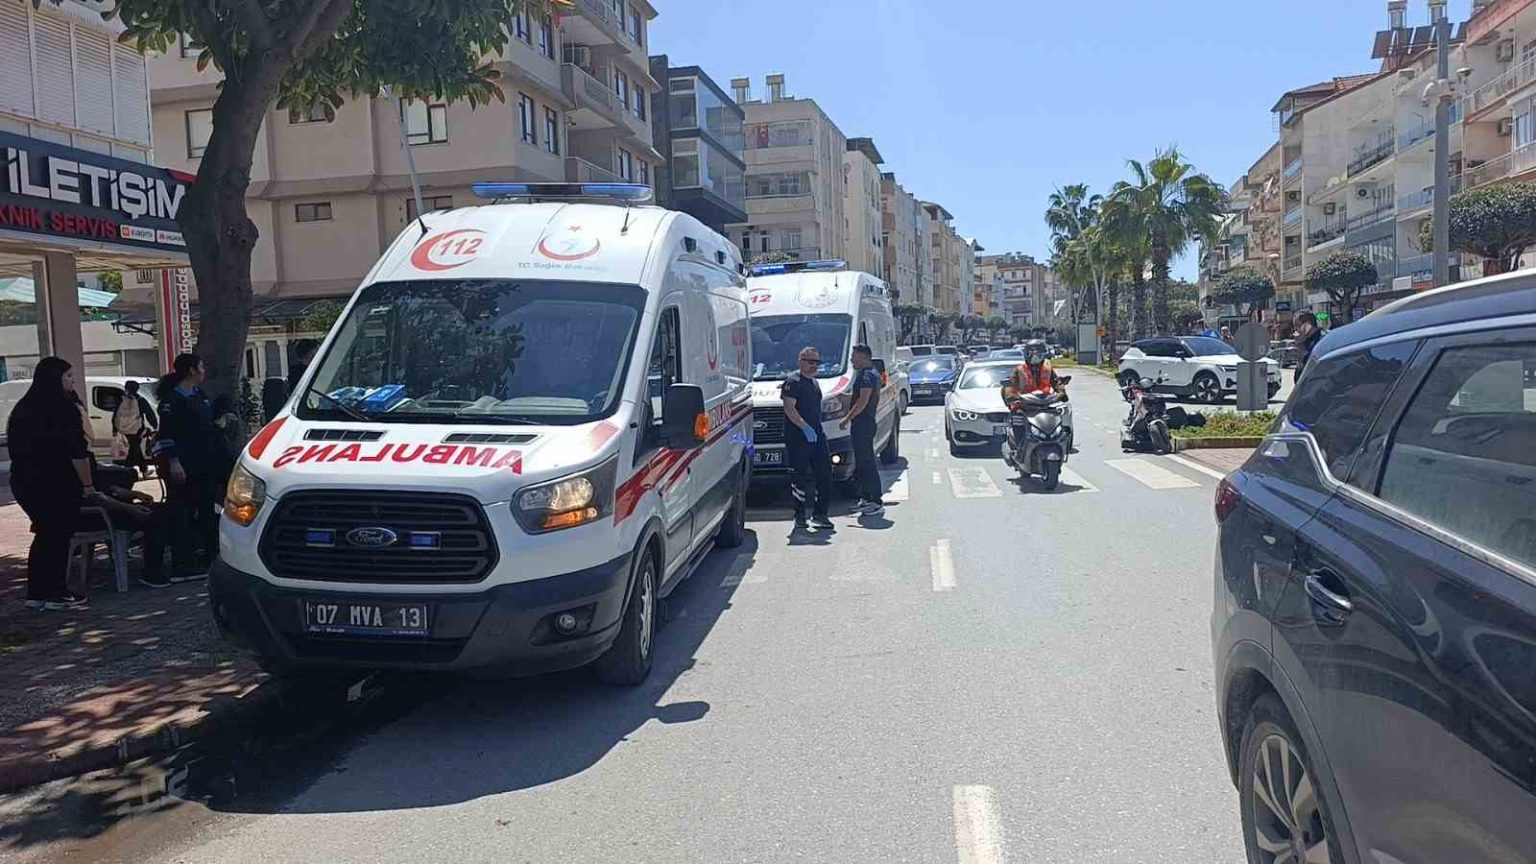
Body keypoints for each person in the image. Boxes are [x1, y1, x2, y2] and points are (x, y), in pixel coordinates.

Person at [7, 357, 95, 609]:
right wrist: (88, 486)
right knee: (57, 536)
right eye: (68, 377)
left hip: (25, 480)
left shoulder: (23, 407)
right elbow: (77, 451)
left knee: (45, 534)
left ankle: (38, 592)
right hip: (56, 481)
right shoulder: (64, 409)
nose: (72, 382)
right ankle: (56, 592)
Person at [154, 354, 219, 581]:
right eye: (201, 367)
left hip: (203, 463)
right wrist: (173, 461)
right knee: (183, 513)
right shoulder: (172, 400)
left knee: (206, 510)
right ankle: (182, 564)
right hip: (183, 464)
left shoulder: (199, 394)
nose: (204, 371)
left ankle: (207, 556)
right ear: (192, 370)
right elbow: (166, 433)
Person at [80, 454, 171, 588]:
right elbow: (94, 496)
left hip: (103, 507)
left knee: (161, 510)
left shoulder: (84, 458)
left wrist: (134, 494)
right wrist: (130, 509)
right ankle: (152, 570)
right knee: (154, 517)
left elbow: (105, 488)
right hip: (91, 514)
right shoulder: (77, 460)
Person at [780, 346, 834, 531]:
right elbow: (789, 408)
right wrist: (804, 427)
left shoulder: (815, 383)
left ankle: (820, 514)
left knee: (825, 474)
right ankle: (800, 516)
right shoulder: (792, 382)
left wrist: (815, 432)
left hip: (817, 436)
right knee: (799, 478)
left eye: (817, 362)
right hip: (798, 438)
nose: (814, 365)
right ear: (800, 361)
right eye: (810, 362)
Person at [839, 344, 884, 517]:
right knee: (862, 462)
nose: (851, 360)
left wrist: (846, 418)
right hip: (863, 423)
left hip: (863, 424)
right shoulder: (868, 374)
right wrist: (844, 397)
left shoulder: (867, 376)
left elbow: (862, 401)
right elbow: (858, 397)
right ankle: (866, 498)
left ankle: (875, 501)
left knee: (867, 463)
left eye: (854, 356)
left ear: (863, 357)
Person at [111, 380, 158, 477]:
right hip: (137, 429)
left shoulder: (121, 400)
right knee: (134, 448)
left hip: (125, 429)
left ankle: (143, 469)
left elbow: (115, 415)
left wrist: (115, 428)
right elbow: (149, 414)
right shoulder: (141, 400)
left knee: (135, 447)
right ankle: (127, 469)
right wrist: (154, 425)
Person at [1001, 340, 1064, 409]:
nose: (1035, 356)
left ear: (1044, 354)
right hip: (1025, 403)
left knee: (1062, 408)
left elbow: (1056, 382)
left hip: (1046, 401)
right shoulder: (1019, 369)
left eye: (1039, 353)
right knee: (1016, 412)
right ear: (1026, 353)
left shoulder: (1048, 368)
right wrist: (1012, 397)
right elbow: (1011, 384)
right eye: (1031, 353)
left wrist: (1061, 392)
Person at [1293, 311, 1325, 379]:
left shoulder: (1322, 340)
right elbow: (1299, 377)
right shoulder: (1305, 341)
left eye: (1298, 326)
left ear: (1308, 325)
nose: (1295, 330)